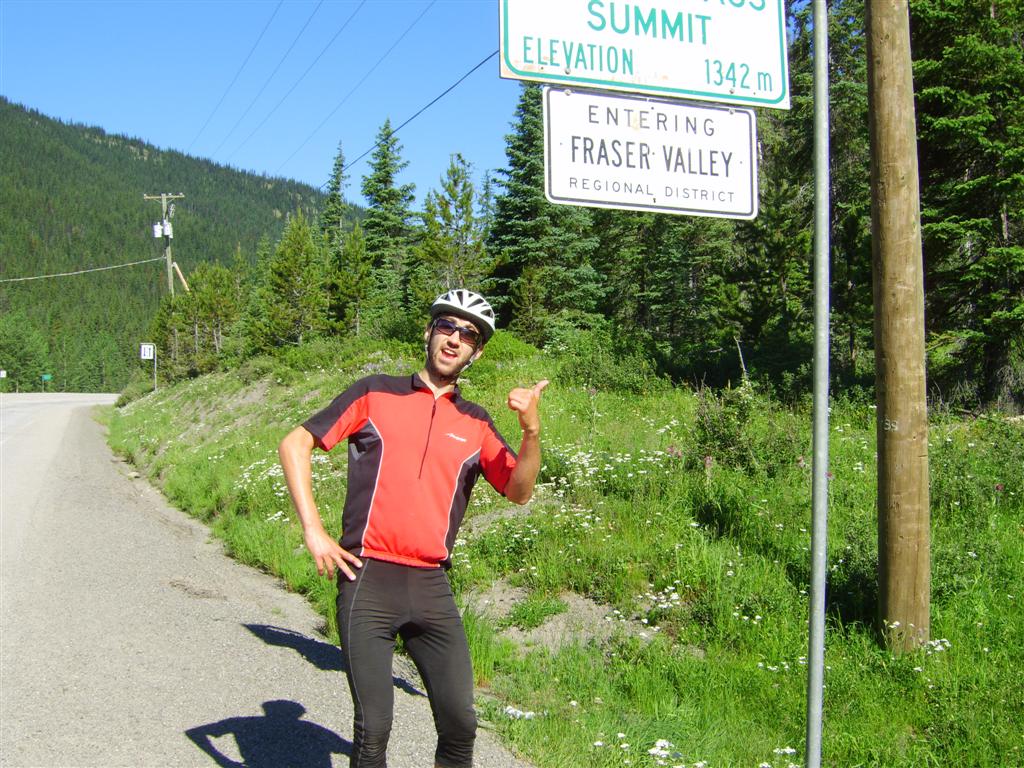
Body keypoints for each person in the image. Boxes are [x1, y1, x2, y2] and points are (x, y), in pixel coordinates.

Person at [278, 289, 548, 768]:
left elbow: (520, 490)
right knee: (374, 729)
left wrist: (530, 432)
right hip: (368, 577)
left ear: (476, 352)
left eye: (469, 334)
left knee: (461, 724)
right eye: (447, 325)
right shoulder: (374, 392)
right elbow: (295, 444)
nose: (455, 338)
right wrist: (313, 531)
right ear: (429, 331)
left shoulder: (477, 422)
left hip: (431, 584)